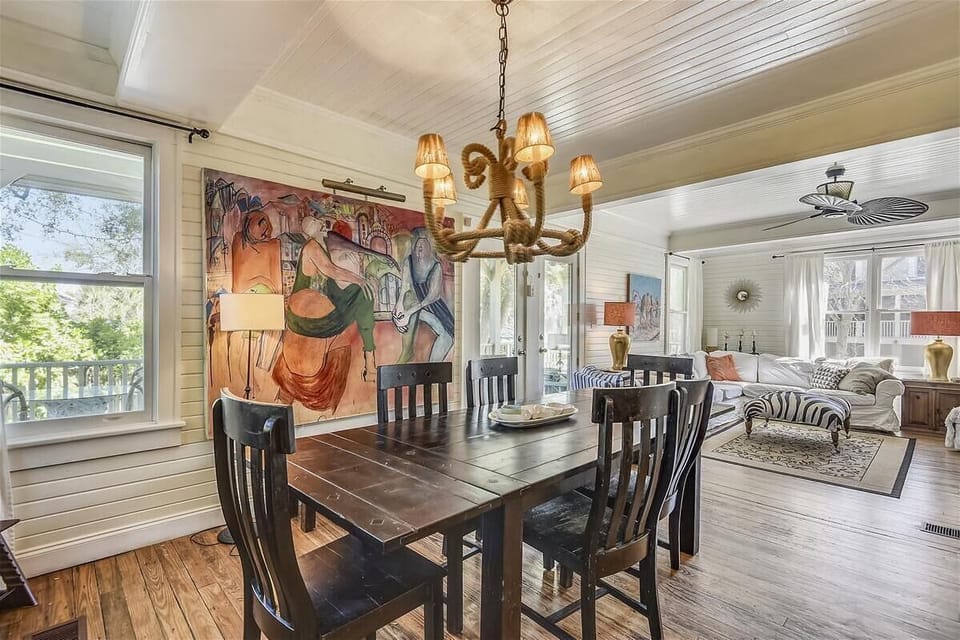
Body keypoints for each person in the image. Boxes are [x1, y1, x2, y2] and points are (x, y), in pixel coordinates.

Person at [393, 228, 454, 363]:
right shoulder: (409, 261)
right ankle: (430, 368)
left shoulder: (435, 265)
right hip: (416, 302)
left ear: (429, 247)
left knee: (448, 335)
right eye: (417, 246)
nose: (419, 250)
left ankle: (433, 367)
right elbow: (404, 287)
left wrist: (409, 313)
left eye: (422, 247)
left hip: (432, 305)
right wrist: (398, 307)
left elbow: (432, 297)